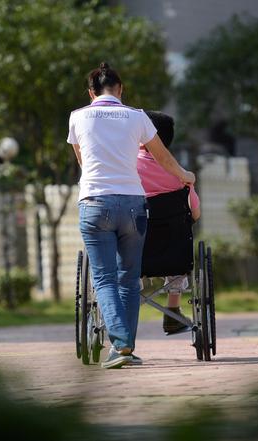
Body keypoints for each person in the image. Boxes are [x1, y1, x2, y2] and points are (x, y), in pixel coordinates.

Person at [68, 62, 195, 368]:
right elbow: (162, 156)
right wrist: (185, 175)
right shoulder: (137, 117)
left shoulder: (78, 117)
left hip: (95, 203)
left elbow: (83, 162)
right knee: (127, 278)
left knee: (104, 278)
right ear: (120, 89)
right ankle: (125, 348)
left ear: (90, 92)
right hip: (134, 205)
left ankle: (121, 345)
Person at [137, 111, 201, 334]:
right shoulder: (178, 173)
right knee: (179, 239)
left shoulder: (126, 168)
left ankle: (125, 311)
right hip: (170, 252)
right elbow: (195, 213)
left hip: (135, 250)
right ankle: (172, 311)